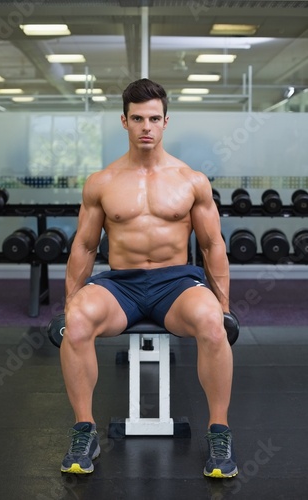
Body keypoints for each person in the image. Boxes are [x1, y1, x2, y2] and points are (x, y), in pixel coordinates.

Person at [60, 78, 238, 478]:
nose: (146, 127)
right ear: (123, 120)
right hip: (121, 284)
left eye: (154, 118)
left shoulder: (191, 180)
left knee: (212, 324)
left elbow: (212, 246)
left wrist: (224, 308)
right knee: (77, 322)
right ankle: (83, 430)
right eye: (137, 118)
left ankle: (219, 433)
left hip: (175, 284)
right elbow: (85, 248)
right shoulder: (102, 182)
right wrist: (69, 302)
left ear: (165, 121)